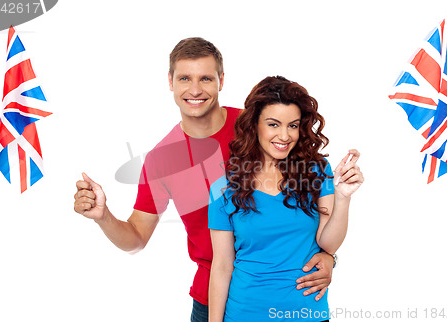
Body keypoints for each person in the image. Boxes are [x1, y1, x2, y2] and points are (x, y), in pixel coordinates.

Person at [73, 38, 335, 322]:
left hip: (285, 294)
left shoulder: (259, 126)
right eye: (185, 78)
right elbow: (136, 239)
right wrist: (103, 217)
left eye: (206, 78)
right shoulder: (161, 161)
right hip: (210, 298)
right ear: (170, 81)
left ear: (221, 81)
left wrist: (329, 255)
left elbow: (311, 190)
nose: (195, 90)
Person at [208, 76, 364, 321]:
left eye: (292, 125)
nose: (284, 136)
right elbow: (221, 266)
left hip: (306, 313)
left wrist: (343, 198)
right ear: (254, 124)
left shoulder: (317, 171)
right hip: (245, 312)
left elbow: (329, 244)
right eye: (273, 124)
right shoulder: (223, 188)